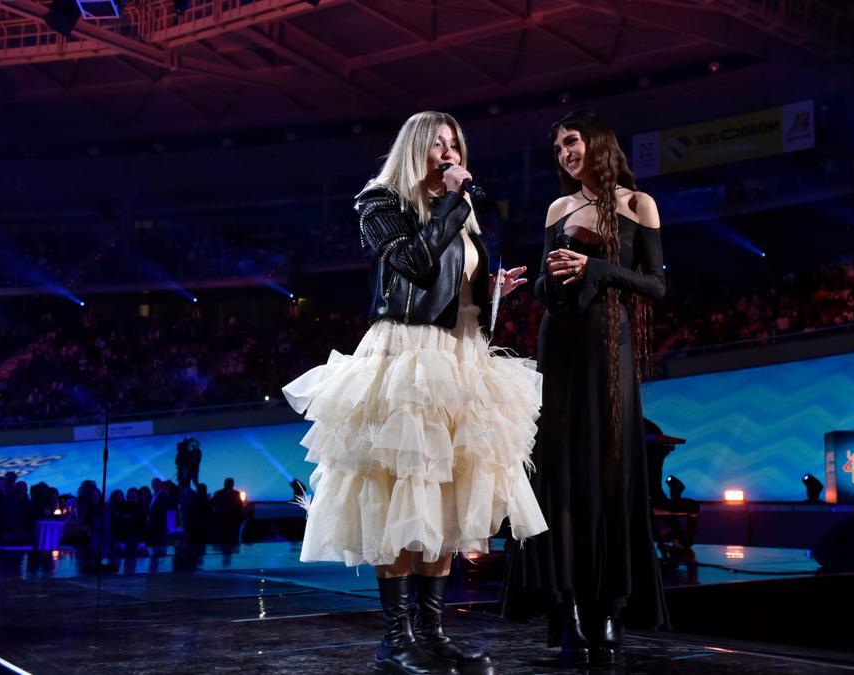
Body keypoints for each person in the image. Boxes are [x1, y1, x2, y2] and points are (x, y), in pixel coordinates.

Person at [282, 110, 546, 675]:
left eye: (456, 145)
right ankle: (396, 641)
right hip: (409, 356)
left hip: (460, 355)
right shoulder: (380, 201)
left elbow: (454, 285)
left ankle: (433, 634)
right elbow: (413, 264)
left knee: (446, 499)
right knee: (404, 493)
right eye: (438, 145)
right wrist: (452, 204)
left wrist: (492, 291)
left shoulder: (463, 210)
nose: (449, 154)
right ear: (416, 148)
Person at [502, 111, 669, 665]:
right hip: (561, 345)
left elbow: (656, 283)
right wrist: (551, 279)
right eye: (557, 148)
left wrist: (596, 270)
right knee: (564, 476)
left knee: (608, 473)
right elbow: (547, 289)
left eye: (571, 142)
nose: (564, 154)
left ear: (596, 142)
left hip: (609, 347)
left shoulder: (638, 205)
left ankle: (610, 609)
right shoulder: (557, 208)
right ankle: (569, 605)